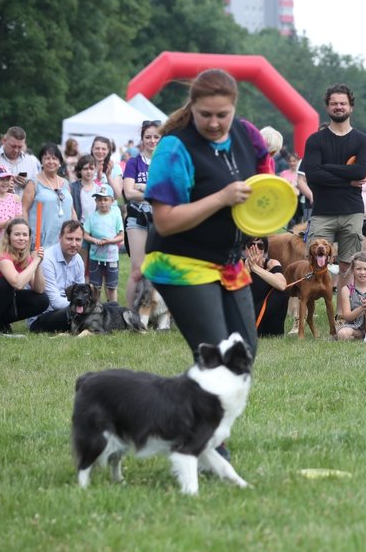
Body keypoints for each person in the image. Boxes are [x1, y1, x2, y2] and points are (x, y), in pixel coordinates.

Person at [142, 68, 261, 362]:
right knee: (216, 356)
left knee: (243, 353)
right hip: (182, 261)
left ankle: (201, 407)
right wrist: (221, 198)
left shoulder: (245, 134)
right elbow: (165, 222)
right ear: (191, 107)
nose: (214, 123)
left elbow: (263, 172)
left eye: (223, 115)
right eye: (205, 114)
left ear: (234, 108)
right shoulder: (174, 147)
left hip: (230, 261)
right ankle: (187, 407)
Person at [302, 83, 366, 293]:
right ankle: (304, 312)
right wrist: (346, 179)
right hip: (322, 212)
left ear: (351, 107)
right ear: (327, 107)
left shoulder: (362, 140)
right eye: (334, 103)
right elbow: (313, 175)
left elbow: (360, 172)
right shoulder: (315, 140)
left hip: (351, 211)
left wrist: (326, 169)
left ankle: (343, 312)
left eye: (343, 103)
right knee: (313, 263)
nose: (339, 107)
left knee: (347, 265)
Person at [123, 120, 161, 308]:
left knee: (160, 268)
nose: (152, 140)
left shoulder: (166, 162)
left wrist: (143, 187)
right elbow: (128, 193)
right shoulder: (134, 162)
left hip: (162, 220)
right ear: (142, 139)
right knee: (137, 270)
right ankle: (129, 313)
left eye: (156, 136)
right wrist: (154, 191)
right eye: (148, 137)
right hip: (137, 219)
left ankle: (156, 313)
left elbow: (170, 191)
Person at [29, 220, 86, 333]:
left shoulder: (78, 259)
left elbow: (82, 293)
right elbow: (54, 302)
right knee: (80, 314)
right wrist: (85, 308)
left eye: (78, 239)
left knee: (110, 306)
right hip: (44, 316)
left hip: (71, 309)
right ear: (60, 237)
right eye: (69, 239)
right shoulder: (47, 259)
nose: (74, 244)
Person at [22, 143, 77, 251]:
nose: (51, 162)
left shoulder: (65, 183)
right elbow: (24, 210)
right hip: (41, 241)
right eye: (47, 158)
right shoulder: (34, 183)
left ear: (60, 162)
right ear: (41, 161)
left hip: (65, 239)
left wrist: (76, 230)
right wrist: (25, 234)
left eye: (54, 158)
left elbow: (71, 210)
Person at [83, 188, 124, 303]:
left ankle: (113, 307)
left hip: (111, 257)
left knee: (111, 286)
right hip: (95, 257)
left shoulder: (116, 216)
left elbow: (121, 236)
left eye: (105, 199)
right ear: (96, 201)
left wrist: (110, 241)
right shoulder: (92, 217)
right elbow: (85, 235)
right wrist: (94, 240)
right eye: (99, 200)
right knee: (95, 287)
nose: (102, 202)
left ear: (112, 201)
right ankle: (97, 307)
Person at [244, 236, 289, 338]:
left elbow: (282, 285)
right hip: (248, 317)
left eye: (260, 246)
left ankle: (270, 331)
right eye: (251, 245)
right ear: (245, 249)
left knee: (281, 292)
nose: (256, 249)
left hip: (268, 320)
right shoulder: (239, 264)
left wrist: (255, 268)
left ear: (264, 250)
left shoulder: (271, 263)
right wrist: (247, 270)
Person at [336, 251, 366, 341]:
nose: (362, 272)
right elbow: (347, 316)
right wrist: (362, 308)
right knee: (342, 334)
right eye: (358, 269)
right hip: (354, 326)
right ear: (352, 270)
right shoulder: (346, 290)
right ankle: (361, 335)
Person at [0, 126, 41, 197]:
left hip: (23, 207)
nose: (16, 150)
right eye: (13, 146)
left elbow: (38, 189)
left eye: (20, 147)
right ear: (4, 141)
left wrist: (27, 185)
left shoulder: (30, 161)